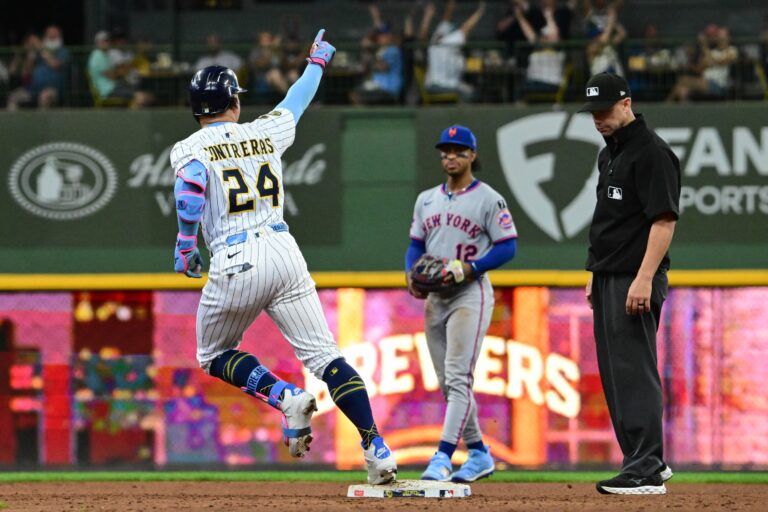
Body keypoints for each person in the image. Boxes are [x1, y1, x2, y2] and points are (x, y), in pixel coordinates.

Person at [169, 29, 397, 485]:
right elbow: (297, 99)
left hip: (235, 256)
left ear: (197, 109)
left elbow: (192, 190)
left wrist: (185, 243)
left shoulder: (190, 147)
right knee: (327, 358)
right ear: (233, 101)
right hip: (284, 250)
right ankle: (377, 448)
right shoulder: (263, 132)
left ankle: (285, 397)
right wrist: (317, 62)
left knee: (213, 354)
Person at [578, 73, 680, 495]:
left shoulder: (652, 153)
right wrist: (593, 272)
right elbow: (610, 223)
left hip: (634, 278)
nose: (597, 119)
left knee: (633, 371)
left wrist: (642, 277)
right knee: (616, 374)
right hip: (608, 274)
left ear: (626, 103)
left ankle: (647, 468)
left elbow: (664, 220)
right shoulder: (610, 155)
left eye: (603, 109)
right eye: (592, 112)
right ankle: (641, 460)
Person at [405, 125, 517, 482]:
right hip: (436, 298)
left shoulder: (489, 199)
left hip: (471, 293)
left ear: (472, 156)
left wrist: (473, 267)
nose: (450, 156)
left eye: (458, 151)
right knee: (448, 383)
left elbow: (507, 246)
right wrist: (410, 275)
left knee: (457, 378)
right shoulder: (426, 199)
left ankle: (442, 457)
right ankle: (481, 454)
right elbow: (415, 245)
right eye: (446, 151)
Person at [424, 0, 486, 101]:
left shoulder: (434, 40)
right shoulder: (450, 41)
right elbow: (466, 28)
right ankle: (463, 116)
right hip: (441, 85)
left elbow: (446, 19)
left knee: (467, 87)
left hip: (432, 85)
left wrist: (451, 4)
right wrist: (480, 11)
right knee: (472, 93)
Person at [666, 24, 738, 102]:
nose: (719, 37)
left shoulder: (732, 50)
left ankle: (666, 106)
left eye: (722, 35)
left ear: (728, 37)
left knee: (683, 80)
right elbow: (699, 69)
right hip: (703, 82)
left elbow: (717, 62)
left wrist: (704, 46)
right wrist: (689, 59)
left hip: (718, 85)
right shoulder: (712, 52)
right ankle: (686, 110)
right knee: (682, 89)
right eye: (718, 35)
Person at [6, 26, 70, 110]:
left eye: (54, 36)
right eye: (49, 36)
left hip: (53, 90)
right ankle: (13, 123)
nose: (51, 38)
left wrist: (40, 47)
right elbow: (26, 71)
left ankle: (40, 123)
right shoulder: (39, 52)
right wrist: (31, 53)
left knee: (44, 96)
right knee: (13, 97)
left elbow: (55, 64)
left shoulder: (63, 51)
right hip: (33, 90)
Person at [351, 4, 403, 105]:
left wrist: (369, 52)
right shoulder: (381, 49)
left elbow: (383, 67)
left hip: (389, 89)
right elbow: (365, 67)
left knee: (357, 95)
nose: (380, 38)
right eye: (380, 35)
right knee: (355, 93)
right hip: (378, 87)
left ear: (389, 36)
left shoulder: (393, 49)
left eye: (383, 35)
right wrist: (366, 51)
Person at [87, 31, 151, 108]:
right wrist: (122, 70)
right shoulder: (97, 56)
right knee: (140, 97)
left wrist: (121, 70)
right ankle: (131, 118)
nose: (107, 43)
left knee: (146, 96)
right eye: (104, 41)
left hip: (114, 87)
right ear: (97, 42)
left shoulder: (105, 54)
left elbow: (117, 73)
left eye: (107, 40)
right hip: (107, 91)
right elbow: (112, 76)